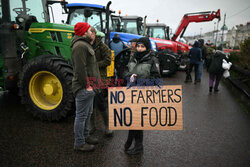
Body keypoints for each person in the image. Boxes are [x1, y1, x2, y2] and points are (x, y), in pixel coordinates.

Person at [123, 37, 161, 155]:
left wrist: (139, 79)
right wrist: (129, 76)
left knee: (138, 121)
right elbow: (124, 71)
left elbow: (157, 80)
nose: (139, 49)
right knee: (131, 118)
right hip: (131, 93)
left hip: (144, 95)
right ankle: (129, 140)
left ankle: (138, 146)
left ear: (147, 48)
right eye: (138, 46)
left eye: (142, 47)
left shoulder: (152, 60)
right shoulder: (132, 57)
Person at [71, 22, 100, 152]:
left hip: (90, 87)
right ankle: (79, 143)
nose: (91, 32)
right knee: (81, 116)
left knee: (87, 114)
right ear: (84, 32)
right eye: (89, 30)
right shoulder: (80, 46)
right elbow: (80, 69)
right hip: (84, 88)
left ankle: (86, 136)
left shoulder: (85, 44)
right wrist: (87, 85)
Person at [89, 27, 114, 136]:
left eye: (89, 33)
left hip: (100, 77)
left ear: (94, 34)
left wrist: (95, 65)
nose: (87, 35)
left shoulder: (102, 46)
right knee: (90, 101)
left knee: (100, 102)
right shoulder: (86, 45)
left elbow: (108, 61)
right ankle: (92, 125)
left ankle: (107, 125)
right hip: (89, 76)